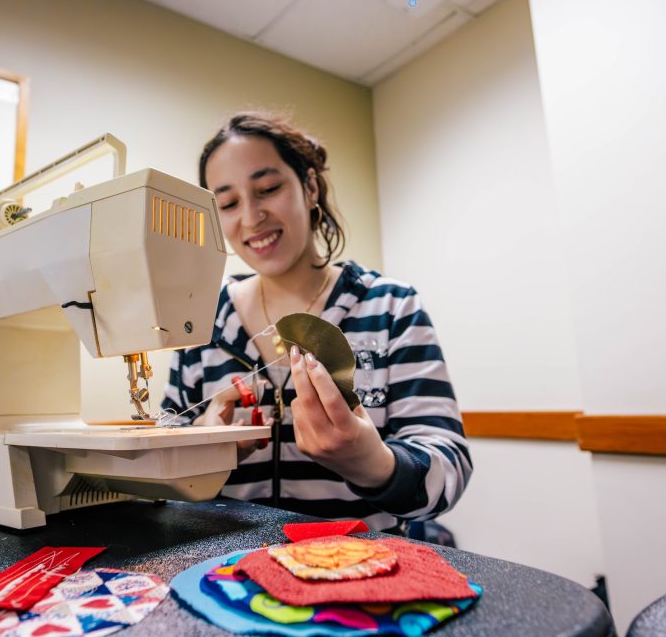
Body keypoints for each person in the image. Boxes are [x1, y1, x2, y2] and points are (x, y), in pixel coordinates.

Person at [161, 112, 471, 532]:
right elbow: (164, 451)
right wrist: (202, 444)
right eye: (229, 203)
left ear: (309, 188)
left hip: (361, 572)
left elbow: (447, 467)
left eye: (268, 189)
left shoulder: (391, 306)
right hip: (227, 574)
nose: (251, 218)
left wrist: (370, 462)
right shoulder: (202, 319)